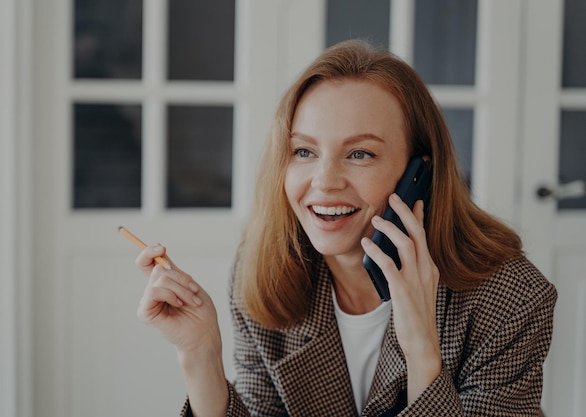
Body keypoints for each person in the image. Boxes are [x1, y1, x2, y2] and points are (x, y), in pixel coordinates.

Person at [135, 39, 557, 416]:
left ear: (419, 172)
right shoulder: (266, 272)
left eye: (359, 154)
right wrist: (200, 355)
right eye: (304, 150)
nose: (324, 181)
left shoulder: (511, 298)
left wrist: (423, 354)